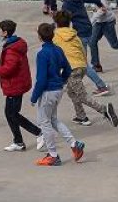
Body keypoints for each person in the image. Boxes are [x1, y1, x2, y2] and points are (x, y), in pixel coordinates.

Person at [30, 23, 87, 166]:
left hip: (47, 92)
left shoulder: (42, 54)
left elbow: (41, 79)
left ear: (39, 37)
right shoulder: (58, 50)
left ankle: (53, 155)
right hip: (58, 89)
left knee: (44, 122)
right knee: (53, 119)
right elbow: (67, 69)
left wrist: (34, 96)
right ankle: (74, 144)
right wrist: (60, 81)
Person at [53, 11, 118, 129]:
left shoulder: (56, 37)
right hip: (81, 66)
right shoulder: (75, 35)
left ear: (56, 23)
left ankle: (104, 110)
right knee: (72, 92)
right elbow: (82, 51)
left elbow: (55, 54)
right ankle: (81, 116)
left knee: (82, 95)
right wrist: (83, 65)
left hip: (70, 69)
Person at [55, 0, 113, 97]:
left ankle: (101, 86)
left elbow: (63, 19)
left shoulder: (67, 4)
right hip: (88, 31)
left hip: (81, 34)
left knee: (83, 64)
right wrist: (100, 5)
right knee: (76, 61)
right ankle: (68, 83)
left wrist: (55, 29)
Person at [0, 19, 43, 152]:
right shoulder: (14, 44)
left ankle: (38, 132)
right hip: (17, 84)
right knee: (10, 113)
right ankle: (18, 141)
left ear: (5, 32)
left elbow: (9, 68)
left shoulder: (12, 49)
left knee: (12, 114)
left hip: (15, 85)